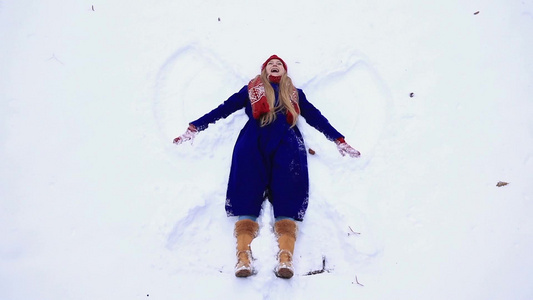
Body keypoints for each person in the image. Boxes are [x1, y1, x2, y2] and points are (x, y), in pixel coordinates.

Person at [173, 55, 360, 279]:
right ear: (264, 69)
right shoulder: (251, 90)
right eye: (271, 63)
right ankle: (243, 257)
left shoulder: (295, 94)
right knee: (246, 192)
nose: (275, 65)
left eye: (279, 64)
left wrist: (338, 139)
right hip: (253, 141)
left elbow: (315, 117)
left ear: (284, 71)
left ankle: (286, 257)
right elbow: (224, 108)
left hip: (288, 143)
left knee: (289, 195)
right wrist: (195, 126)